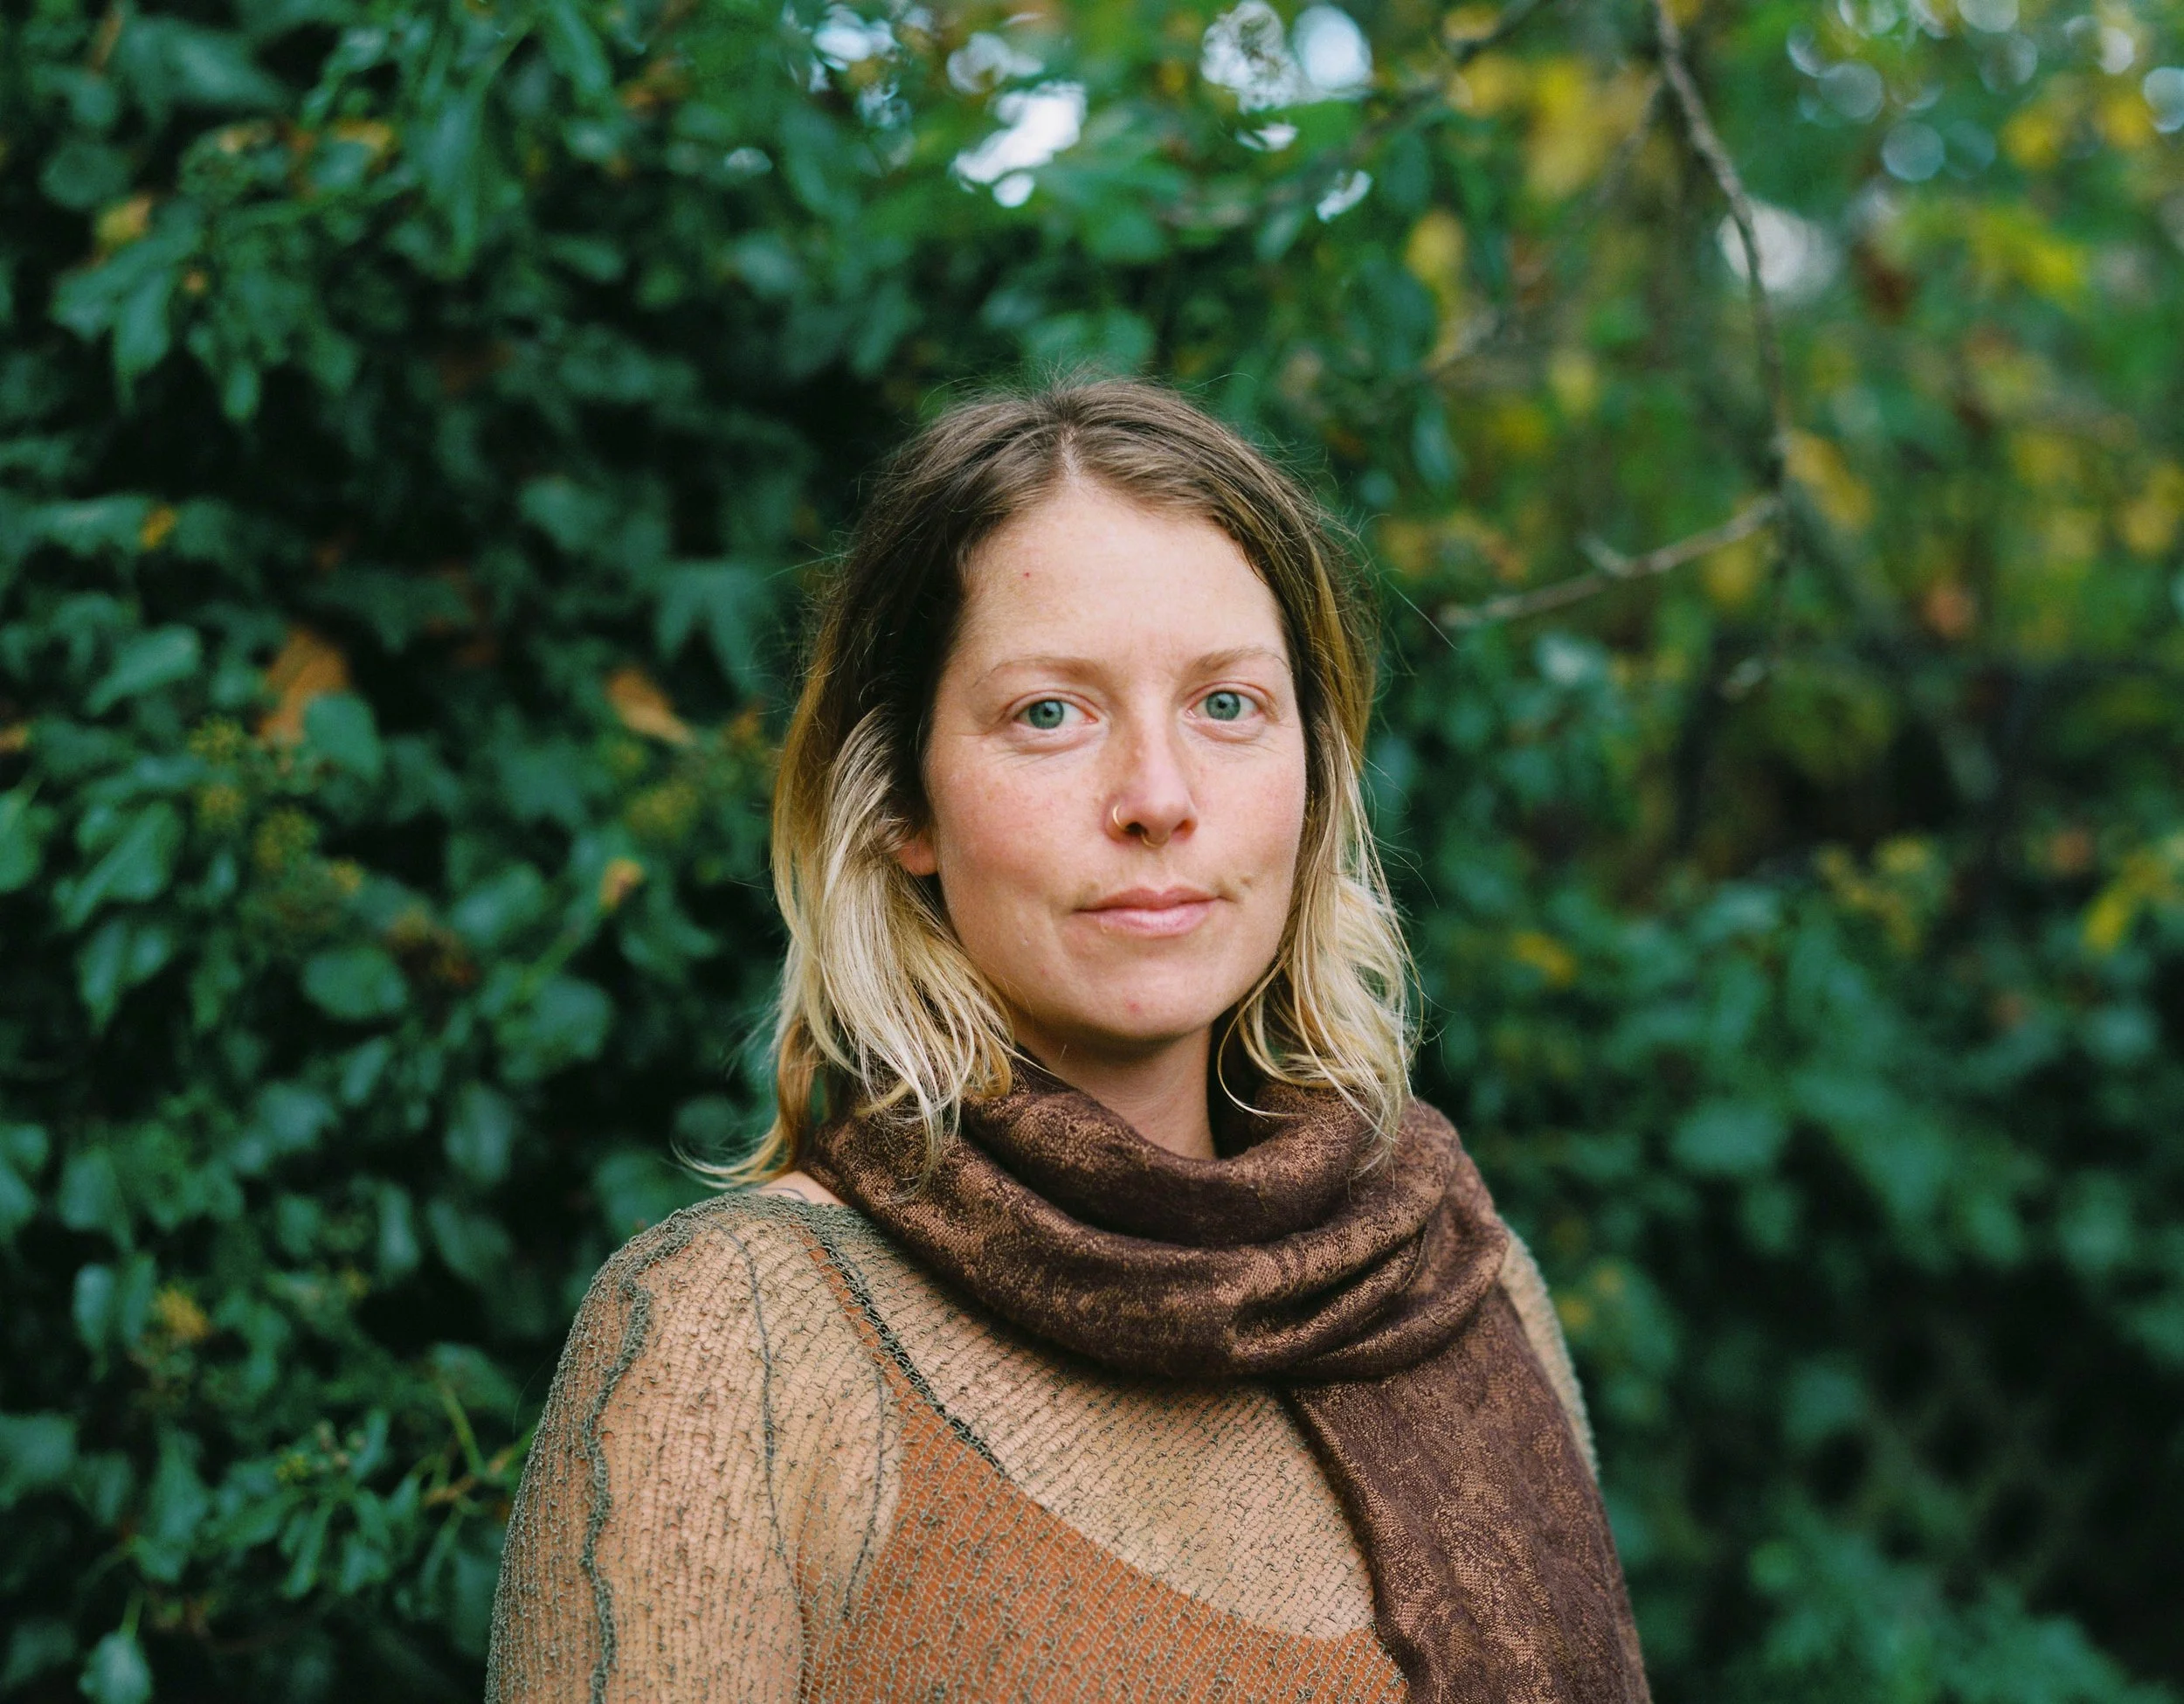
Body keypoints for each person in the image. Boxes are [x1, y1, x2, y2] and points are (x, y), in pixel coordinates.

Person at [485, 380, 1649, 1701]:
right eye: (1051, 712)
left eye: (1227, 706)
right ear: (901, 803)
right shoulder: (737, 1342)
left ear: (1315, 781)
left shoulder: (1454, 1284)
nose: (1157, 796)